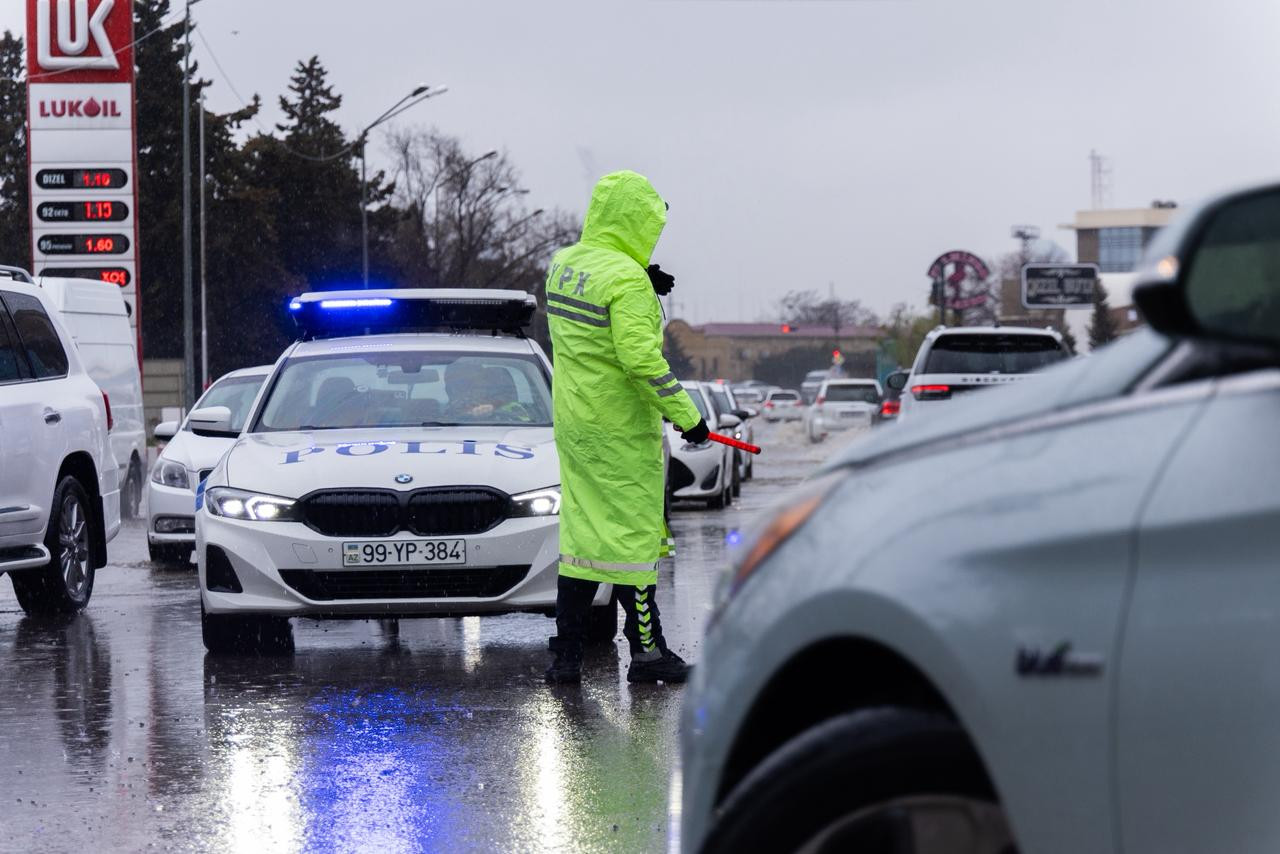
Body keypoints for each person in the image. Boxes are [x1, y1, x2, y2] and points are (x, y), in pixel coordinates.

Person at [544, 170, 708, 685]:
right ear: (637, 221)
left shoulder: (563, 265)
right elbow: (640, 361)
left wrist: (640, 276)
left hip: (575, 424)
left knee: (581, 539)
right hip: (619, 431)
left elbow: (593, 319)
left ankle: (566, 657)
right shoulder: (627, 281)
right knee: (634, 543)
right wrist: (689, 417)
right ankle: (648, 652)